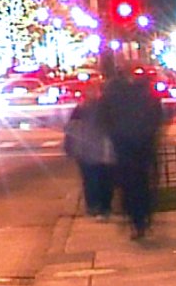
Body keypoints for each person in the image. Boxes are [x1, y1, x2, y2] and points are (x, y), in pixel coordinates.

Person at [101, 65, 165, 241]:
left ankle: (135, 218)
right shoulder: (146, 94)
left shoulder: (114, 95)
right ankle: (143, 217)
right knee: (143, 182)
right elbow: (157, 116)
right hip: (143, 145)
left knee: (129, 184)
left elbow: (106, 118)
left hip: (124, 147)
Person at [65, 87, 114, 218]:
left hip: (87, 151)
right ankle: (103, 207)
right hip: (98, 151)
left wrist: (69, 147)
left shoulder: (81, 110)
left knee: (91, 179)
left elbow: (71, 130)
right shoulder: (105, 110)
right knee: (102, 179)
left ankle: (94, 206)